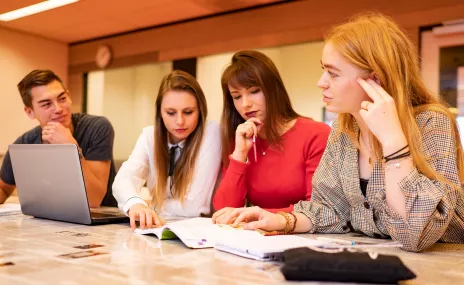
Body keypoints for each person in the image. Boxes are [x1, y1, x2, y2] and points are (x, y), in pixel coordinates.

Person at [213, 13, 464, 252]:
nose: (321, 82)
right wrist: (282, 220)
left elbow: (415, 234)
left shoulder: (431, 122)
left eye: (332, 73)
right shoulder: (344, 129)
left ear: (374, 80)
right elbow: (332, 210)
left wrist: (392, 141)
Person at [212, 50, 331, 221]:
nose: (245, 104)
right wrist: (239, 155)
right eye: (237, 96)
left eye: (254, 91)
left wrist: (261, 216)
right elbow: (224, 212)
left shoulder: (315, 134)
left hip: (303, 238)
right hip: (258, 240)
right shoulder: (240, 141)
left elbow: (318, 209)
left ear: (273, 88)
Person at [0, 70, 117, 208]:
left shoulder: (97, 128)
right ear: (30, 112)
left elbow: (93, 200)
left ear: (69, 96)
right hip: (53, 220)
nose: (58, 108)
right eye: (46, 104)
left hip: (102, 220)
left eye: (62, 98)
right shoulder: (24, 144)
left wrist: (71, 147)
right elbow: (2, 187)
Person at [112, 70, 221, 230]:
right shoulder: (150, 135)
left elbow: (195, 208)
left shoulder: (211, 132)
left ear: (200, 110)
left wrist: (153, 204)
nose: (180, 121)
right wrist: (135, 204)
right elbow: (122, 180)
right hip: (163, 228)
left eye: (188, 112)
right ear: (160, 113)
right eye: (170, 113)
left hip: (200, 233)